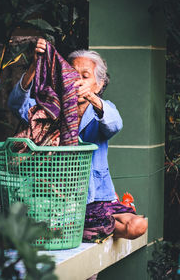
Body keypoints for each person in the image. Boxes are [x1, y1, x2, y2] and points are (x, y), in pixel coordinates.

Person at [8, 38, 148, 241]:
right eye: (72, 75)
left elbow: (115, 124)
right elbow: (16, 105)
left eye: (85, 76)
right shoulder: (51, 108)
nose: (78, 81)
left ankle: (84, 227)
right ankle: (85, 228)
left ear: (99, 84)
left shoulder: (101, 108)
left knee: (138, 225)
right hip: (54, 199)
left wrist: (92, 98)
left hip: (96, 199)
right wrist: (33, 66)